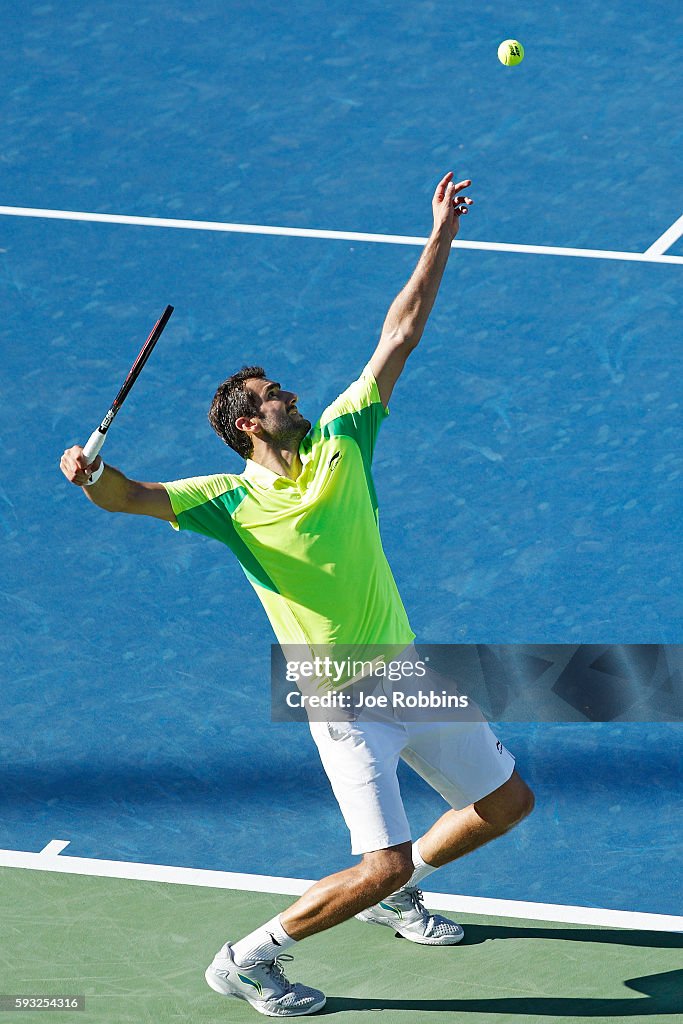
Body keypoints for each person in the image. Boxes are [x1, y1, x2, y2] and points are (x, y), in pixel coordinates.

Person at [61, 172, 534, 1017]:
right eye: (275, 395)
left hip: (408, 670)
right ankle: (246, 960)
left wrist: (440, 236)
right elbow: (127, 497)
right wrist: (89, 474)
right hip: (344, 704)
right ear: (248, 423)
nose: (292, 397)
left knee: (503, 804)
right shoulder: (227, 502)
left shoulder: (345, 436)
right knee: (379, 859)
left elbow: (400, 332)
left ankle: (396, 895)